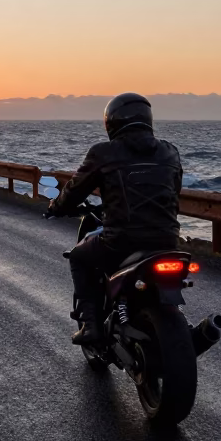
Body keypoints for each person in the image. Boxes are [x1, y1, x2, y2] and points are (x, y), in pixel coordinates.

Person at [46, 93, 183, 345]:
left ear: (112, 121)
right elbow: (175, 191)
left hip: (121, 241)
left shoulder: (103, 153)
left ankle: (90, 326)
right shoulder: (170, 151)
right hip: (168, 240)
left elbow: (75, 190)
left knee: (78, 257)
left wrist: (56, 207)